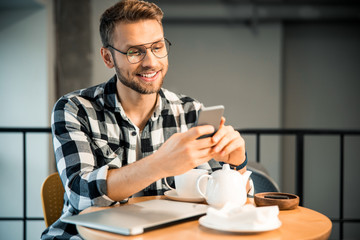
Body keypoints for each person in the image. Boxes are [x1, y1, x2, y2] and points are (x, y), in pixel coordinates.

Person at [41, 0, 247, 239]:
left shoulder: (191, 111)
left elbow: (225, 205)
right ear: (108, 58)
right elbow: (81, 197)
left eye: (157, 47)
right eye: (135, 51)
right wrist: (160, 163)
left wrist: (237, 165)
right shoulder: (75, 109)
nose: (151, 61)